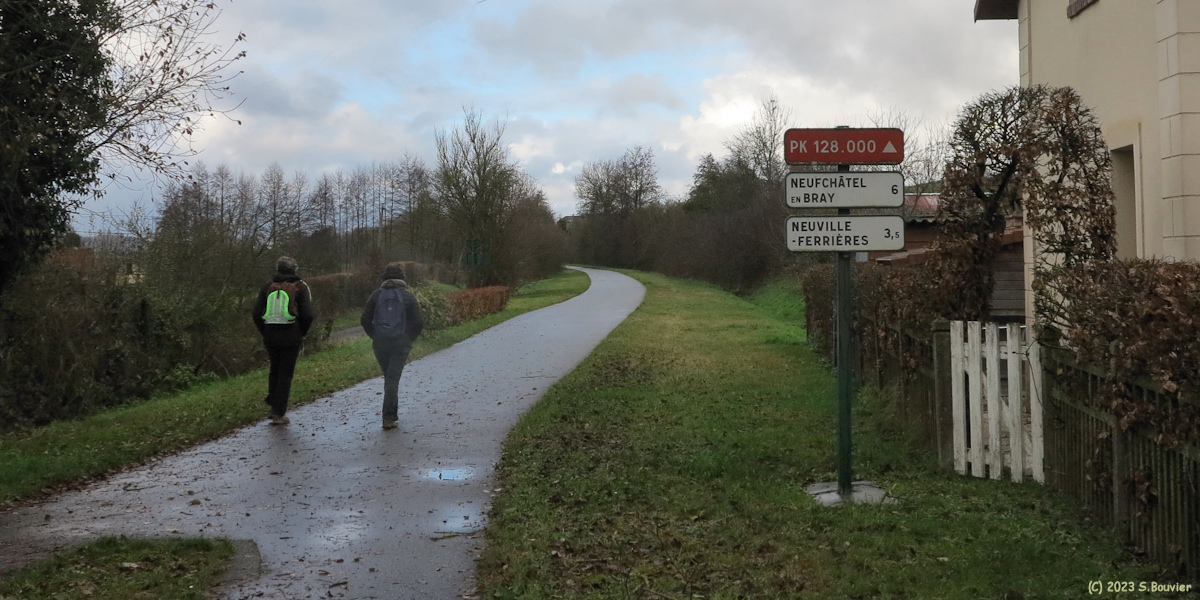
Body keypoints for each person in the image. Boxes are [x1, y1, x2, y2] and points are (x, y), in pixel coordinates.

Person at [361, 262, 423, 430]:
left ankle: (391, 415)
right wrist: (408, 339)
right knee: (392, 379)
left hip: (380, 344)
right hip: (400, 345)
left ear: (384, 278)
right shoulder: (408, 296)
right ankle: (388, 417)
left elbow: (364, 320)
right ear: (402, 278)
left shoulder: (376, 296)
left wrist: (375, 336)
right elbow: (418, 322)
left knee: (389, 378)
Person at [253, 256, 314, 425]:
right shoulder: (301, 287)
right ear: (295, 269)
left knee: (274, 369)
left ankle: (273, 405)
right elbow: (308, 315)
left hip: (270, 335)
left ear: (277, 268)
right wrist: (301, 332)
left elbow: (256, 314)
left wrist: (265, 331)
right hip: (291, 336)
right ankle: (278, 413)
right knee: (285, 374)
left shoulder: (267, 286)